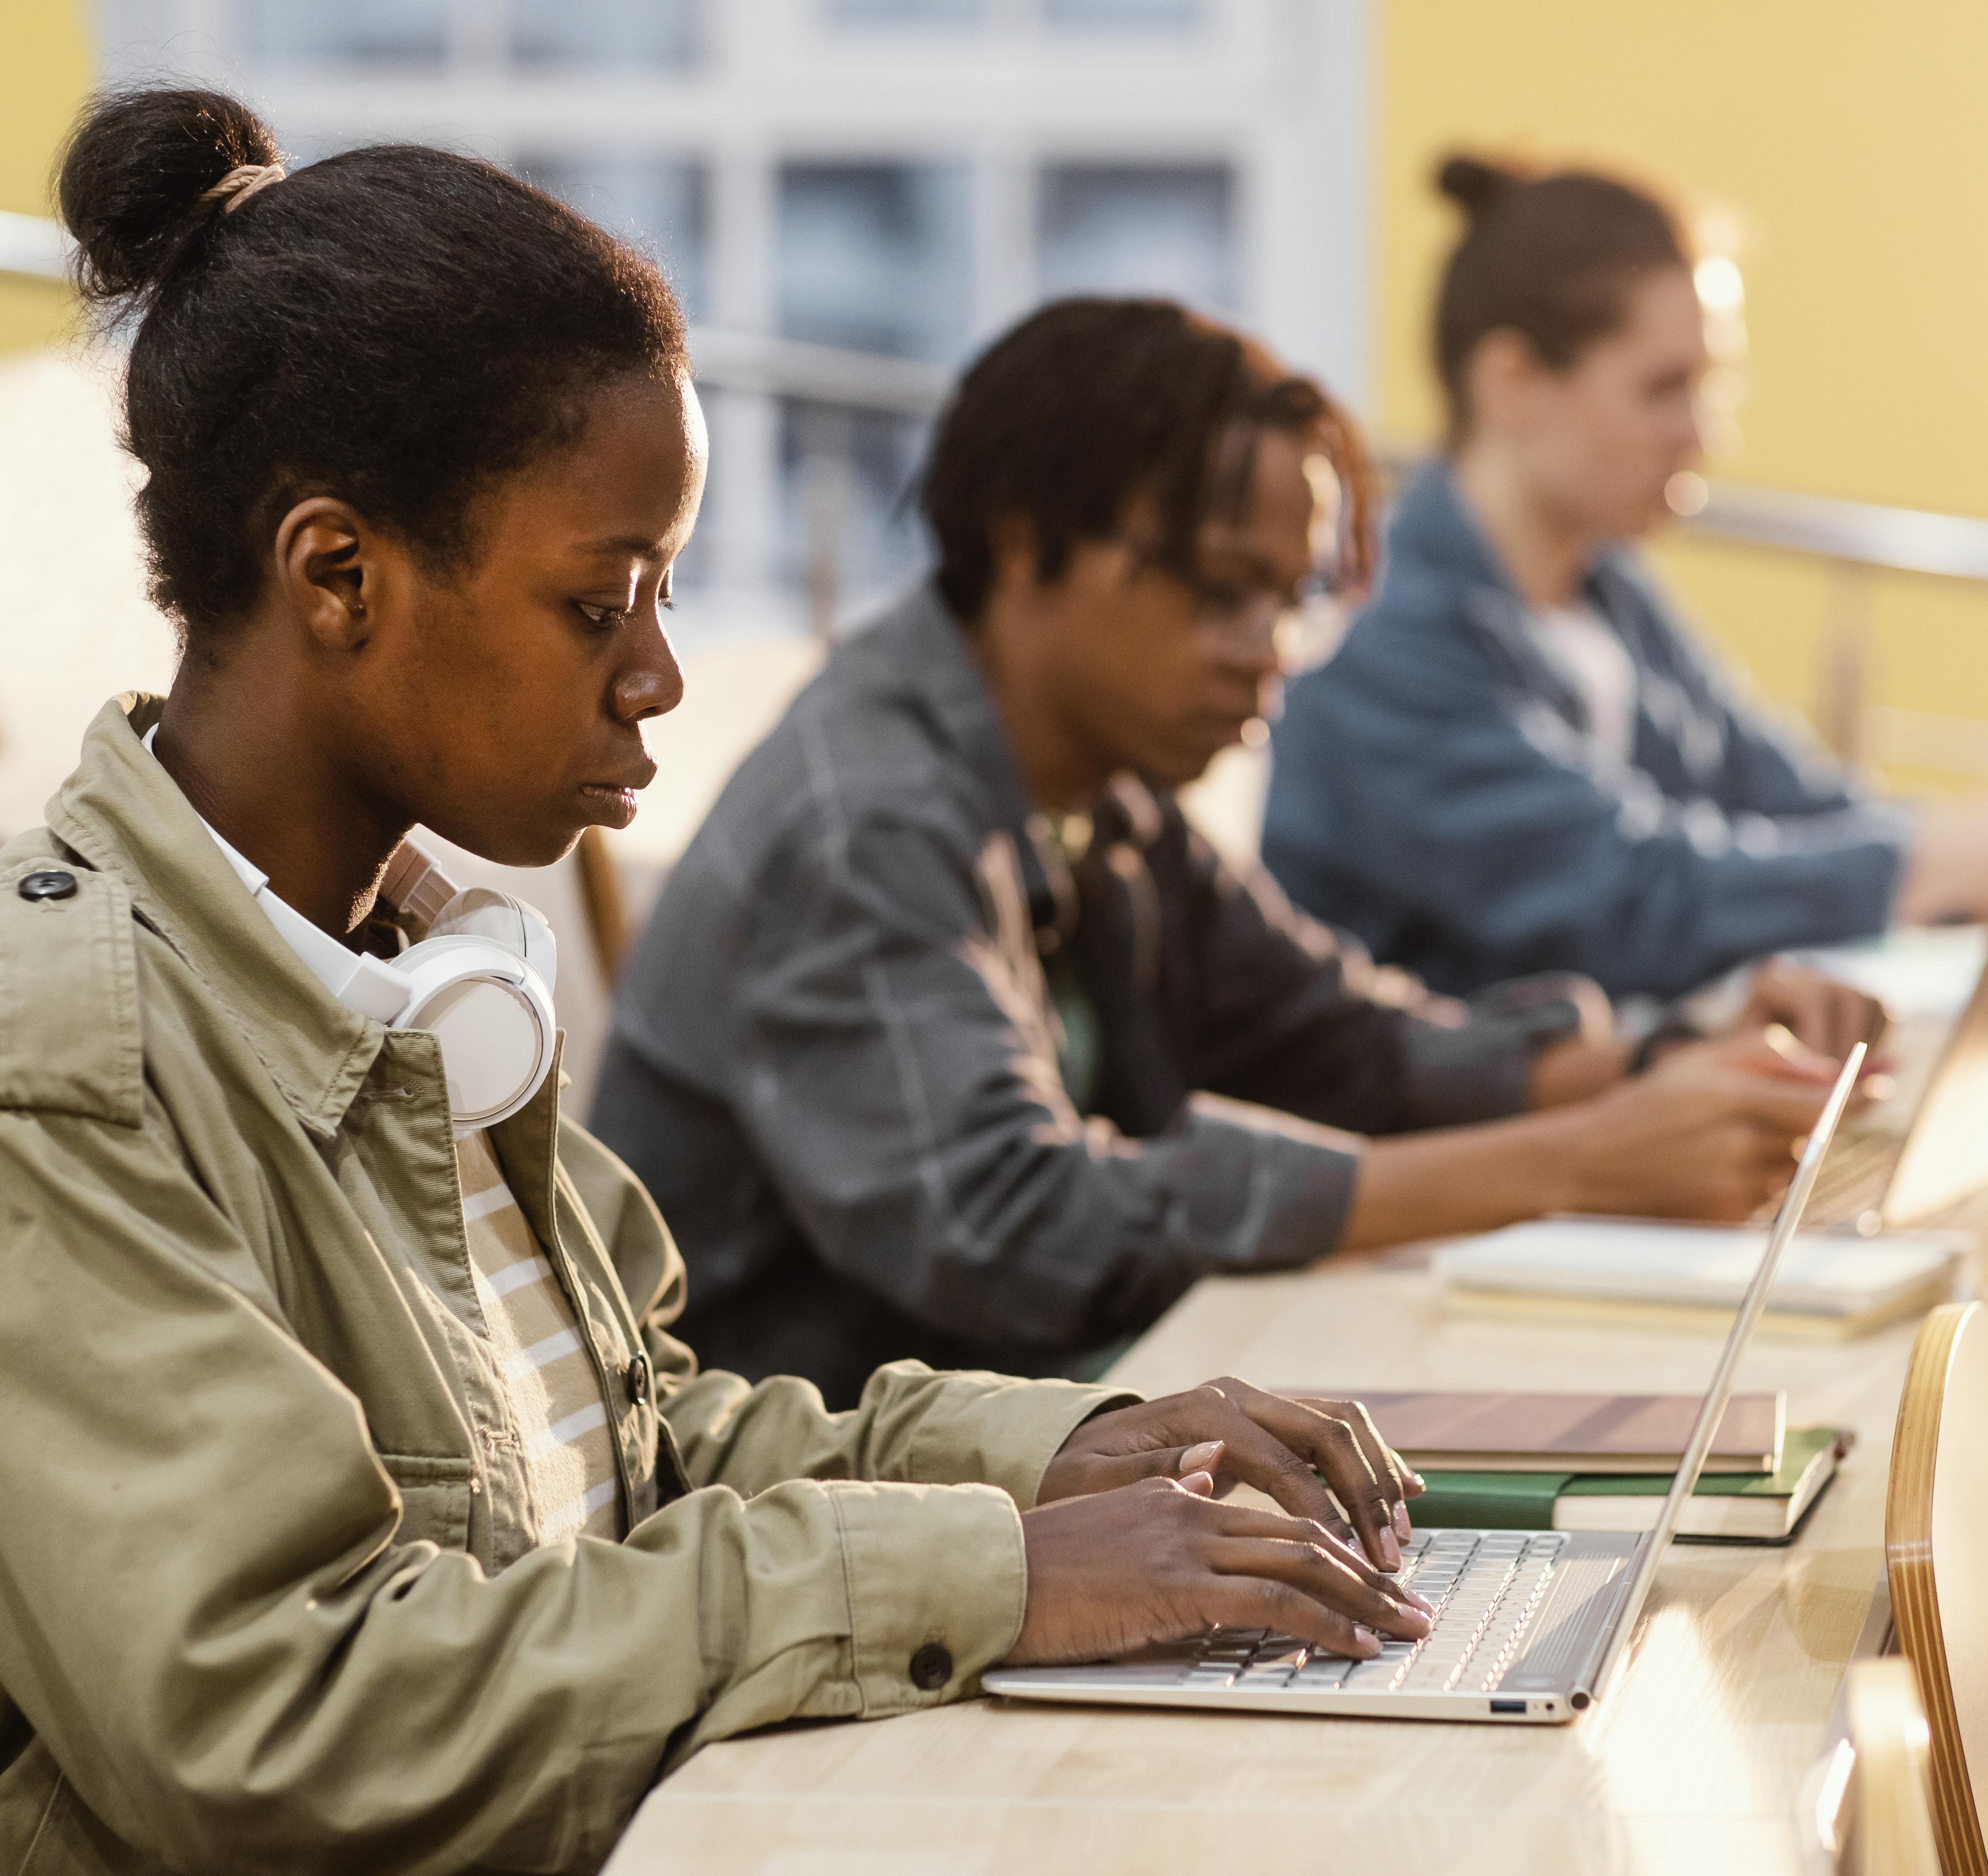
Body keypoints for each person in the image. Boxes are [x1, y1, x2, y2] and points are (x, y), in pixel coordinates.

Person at [0, 93, 1446, 1876]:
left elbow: (645, 1449)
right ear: (338, 574)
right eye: (604, 601)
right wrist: (994, 1575)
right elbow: (286, 1729)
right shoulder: (61, 1070)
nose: (661, 672)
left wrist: (1089, 1458)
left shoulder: (400, 961)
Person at [591, 297, 1883, 1411]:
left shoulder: (1104, 784)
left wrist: (1687, 1057)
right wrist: (1582, 1159)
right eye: (1220, 593)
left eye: (1291, 598)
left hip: (1029, 1439)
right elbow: (1015, 1227)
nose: (1265, 645)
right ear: (1030, 547)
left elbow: (1345, 1037)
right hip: (817, 1527)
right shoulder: (862, 820)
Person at [1261, 155, 1988, 1003]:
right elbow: (1634, 894)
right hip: (1463, 1165)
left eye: (1714, 388)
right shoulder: (1377, 637)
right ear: (1512, 381)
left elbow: (1801, 807)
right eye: (1664, 389)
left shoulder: (1609, 594)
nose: (1707, 436)